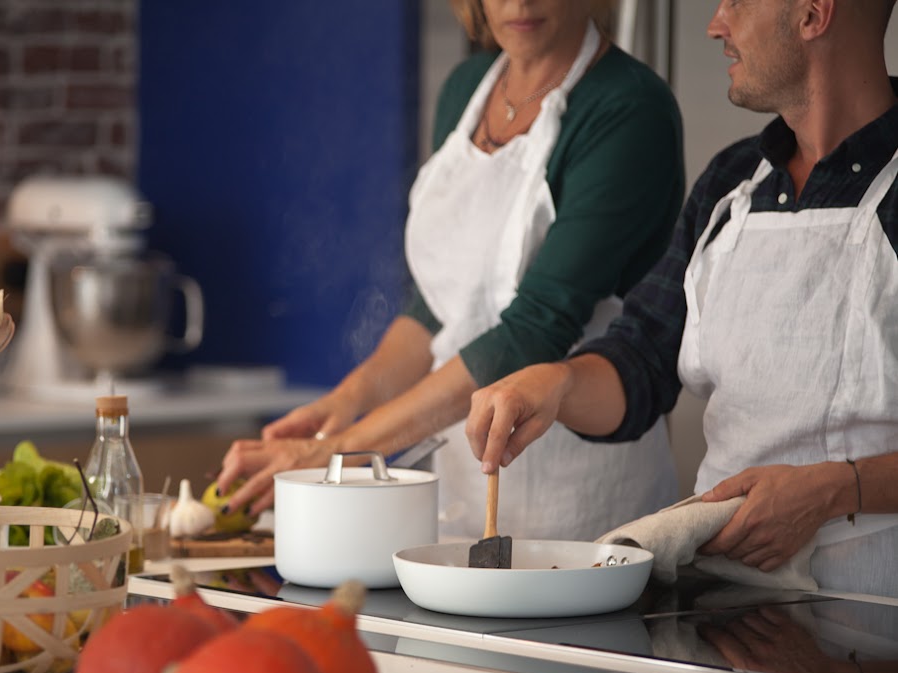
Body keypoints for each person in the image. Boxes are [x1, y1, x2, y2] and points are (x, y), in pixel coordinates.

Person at [465, 0, 898, 596]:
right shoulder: (733, 181)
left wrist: (836, 490)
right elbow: (643, 358)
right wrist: (556, 384)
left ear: (812, 14)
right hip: (720, 608)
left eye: (737, 4)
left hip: (874, 627)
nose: (716, 24)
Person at [215, 0, 685, 541]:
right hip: (461, 479)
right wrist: (344, 404)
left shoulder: (629, 108)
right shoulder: (467, 89)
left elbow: (535, 329)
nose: (520, 3)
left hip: (579, 500)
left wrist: (334, 452)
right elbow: (437, 309)